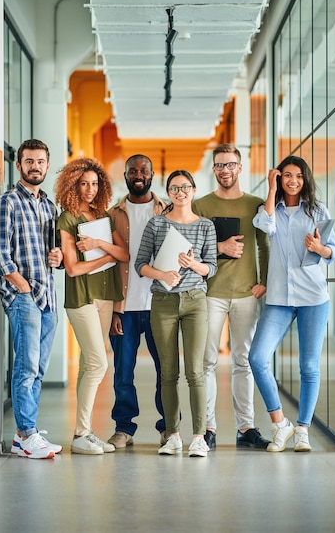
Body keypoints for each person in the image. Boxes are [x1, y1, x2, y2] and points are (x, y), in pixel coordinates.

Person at [249, 155, 335, 452]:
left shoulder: (317, 210)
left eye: (298, 176)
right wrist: (272, 191)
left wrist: (319, 247)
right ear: (278, 178)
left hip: (313, 297)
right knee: (258, 359)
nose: (293, 181)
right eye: (286, 175)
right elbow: (265, 225)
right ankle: (280, 424)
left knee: (309, 366)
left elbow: (333, 253)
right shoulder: (269, 211)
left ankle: (302, 429)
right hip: (278, 299)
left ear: (305, 179)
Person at [0, 139, 63, 459]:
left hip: (48, 296)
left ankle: (23, 435)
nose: (35, 166)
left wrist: (57, 256)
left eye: (41, 161)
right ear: (18, 165)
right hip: (24, 297)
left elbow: (52, 253)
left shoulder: (49, 206)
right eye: (29, 161)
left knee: (39, 368)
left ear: (47, 165)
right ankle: (28, 433)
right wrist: (22, 288)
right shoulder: (7, 201)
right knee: (26, 367)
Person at [192, 143, 270, 450]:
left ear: (240, 167)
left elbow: (265, 246)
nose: (226, 170)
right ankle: (208, 428)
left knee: (243, 361)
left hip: (246, 294)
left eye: (231, 165)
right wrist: (220, 248)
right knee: (207, 361)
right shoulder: (201, 206)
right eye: (220, 165)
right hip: (210, 293)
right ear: (214, 169)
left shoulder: (255, 204)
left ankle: (246, 427)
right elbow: (190, 250)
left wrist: (263, 281)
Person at [135, 170, 217, 457]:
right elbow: (140, 265)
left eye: (185, 187)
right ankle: (172, 436)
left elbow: (212, 268)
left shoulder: (206, 226)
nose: (180, 192)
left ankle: (198, 437)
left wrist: (193, 265)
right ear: (168, 192)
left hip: (196, 302)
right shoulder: (156, 225)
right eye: (174, 188)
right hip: (163, 302)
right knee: (167, 372)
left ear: (193, 190)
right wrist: (163, 274)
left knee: (195, 371)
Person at [55, 158, 129, 455]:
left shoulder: (102, 216)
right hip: (82, 299)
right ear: (73, 184)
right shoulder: (68, 218)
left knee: (89, 363)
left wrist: (100, 246)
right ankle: (82, 433)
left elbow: (123, 252)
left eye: (95, 183)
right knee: (99, 363)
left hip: (105, 297)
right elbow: (73, 268)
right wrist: (106, 257)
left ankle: (83, 432)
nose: (89, 189)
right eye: (84, 183)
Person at [106, 155, 167, 449]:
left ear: (152, 174)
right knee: (123, 371)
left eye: (144, 170)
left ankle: (169, 427)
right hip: (124, 307)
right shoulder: (111, 214)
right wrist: (113, 310)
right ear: (126, 175)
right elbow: (105, 264)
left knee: (166, 370)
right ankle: (124, 428)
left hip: (160, 305)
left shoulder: (167, 210)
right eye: (133, 171)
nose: (138, 175)